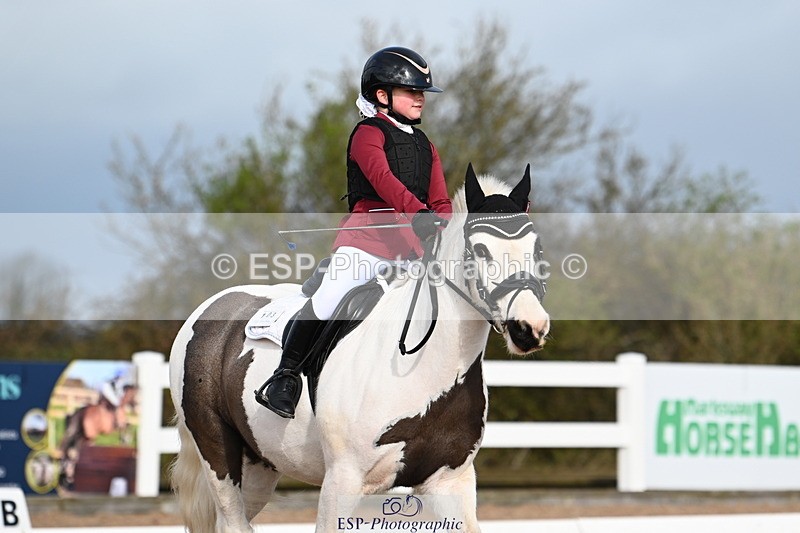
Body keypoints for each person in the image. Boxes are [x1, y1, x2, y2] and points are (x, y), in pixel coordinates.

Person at [255, 46, 452, 418]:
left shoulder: (426, 146)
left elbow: (441, 199)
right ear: (383, 96)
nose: (420, 99)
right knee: (330, 297)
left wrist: (445, 225)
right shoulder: (367, 133)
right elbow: (383, 179)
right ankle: (285, 377)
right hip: (367, 244)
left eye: (422, 92)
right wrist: (418, 212)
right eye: (412, 91)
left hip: (411, 250)